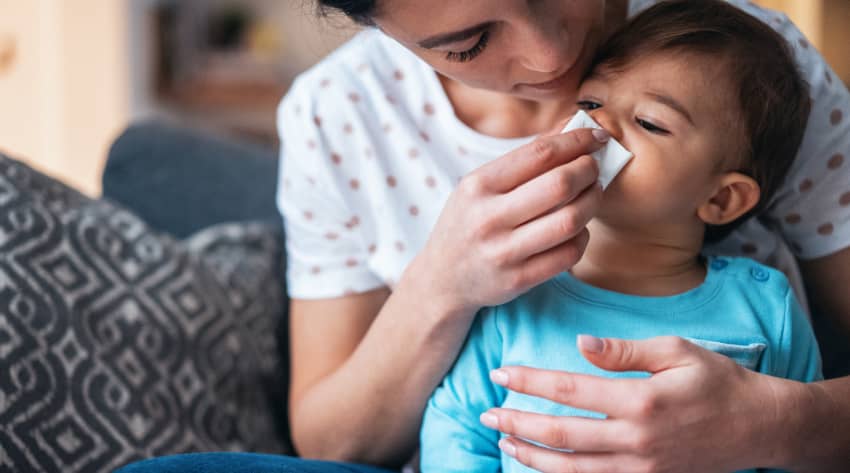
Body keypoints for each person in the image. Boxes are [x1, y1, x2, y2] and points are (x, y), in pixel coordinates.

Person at [118, 0, 850, 472]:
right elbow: (337, 444)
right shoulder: (337, 116)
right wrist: (443, 285)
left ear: (725, 197)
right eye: (470, 43)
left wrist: (775, 422)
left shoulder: (743, 66)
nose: (553, 57)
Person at [419, 2, 821, 471]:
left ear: (721, 198)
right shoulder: (517, 296)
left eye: (649, 123)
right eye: (590, 104)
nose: (599, 127)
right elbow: (458, 427)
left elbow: (802, 451)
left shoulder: (764, 308)